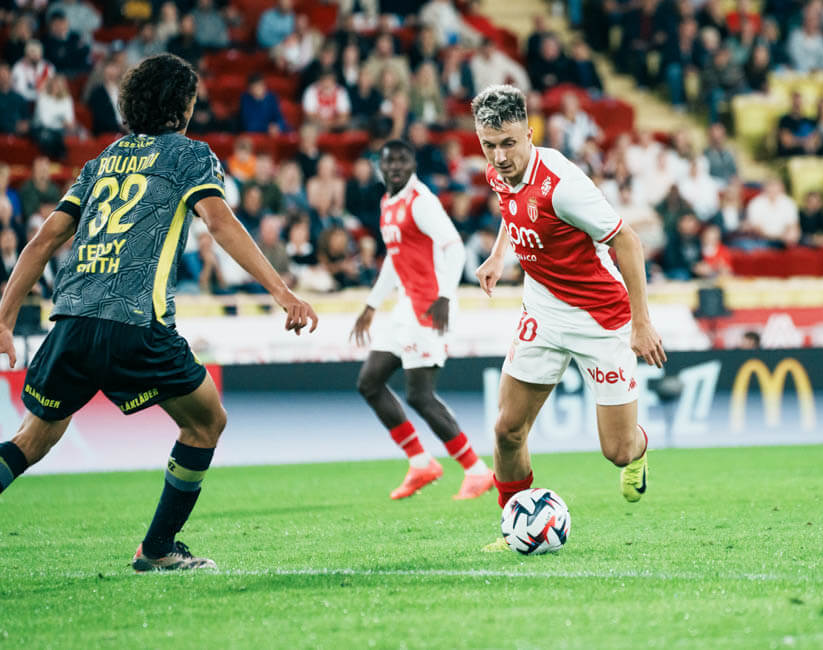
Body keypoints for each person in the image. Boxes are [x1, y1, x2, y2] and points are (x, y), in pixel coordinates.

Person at [0, 54, 318, 572]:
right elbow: (220, 223)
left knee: (32, 439)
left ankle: (158, 548)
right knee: (206, 422)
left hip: (71, 321)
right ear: (184, 106)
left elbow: (43, 240)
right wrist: (283, 292)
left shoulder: (102, 160)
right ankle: (157, 547)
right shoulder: (190, 155)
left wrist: (4, 318)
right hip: (136, 323)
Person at [471, 85, 665, 551]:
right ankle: (513, 526)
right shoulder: (500, 170)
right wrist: (500, 254)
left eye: (509, 143)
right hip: (543, 308)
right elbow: (512, 208)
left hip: (600, 317)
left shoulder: (562, 184)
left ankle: (639, 448)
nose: (499, 156)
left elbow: (628, 241)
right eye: (489, 145)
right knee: (507, 430)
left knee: (617, 451)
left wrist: (641, 322)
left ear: (530, 134)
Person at [352, 141, 491, 501]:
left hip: (429, 306)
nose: (396, 166)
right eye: (389, 161)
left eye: (402, 160)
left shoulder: (421, 201)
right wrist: (371, 305)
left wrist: (445, 295)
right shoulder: (388, 202)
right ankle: (420, 462)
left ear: (413, 163)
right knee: (369, 382)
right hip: (404, 306)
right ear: (381, 166)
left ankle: (476, 470)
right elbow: (394, 259)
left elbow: (453, 245)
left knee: (419, 394)